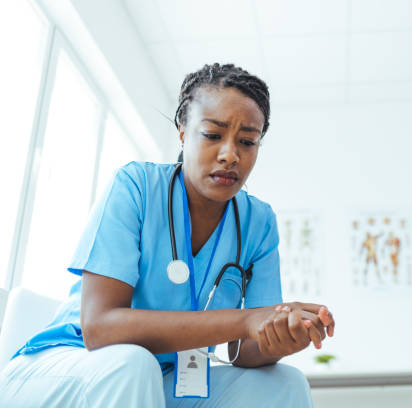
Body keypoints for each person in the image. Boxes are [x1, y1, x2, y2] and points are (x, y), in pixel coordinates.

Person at [0, 63, 335, 407]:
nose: (230, 155)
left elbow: (246, 352)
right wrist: (247, 319)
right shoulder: (135, 187)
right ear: (182, 131)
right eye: (212, 135)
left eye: (248, 141)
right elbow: (100, 328)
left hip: (161, 378)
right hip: (71, 363)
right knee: (132, 363)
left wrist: (279, 338)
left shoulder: (258, 222)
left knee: (284, 383)